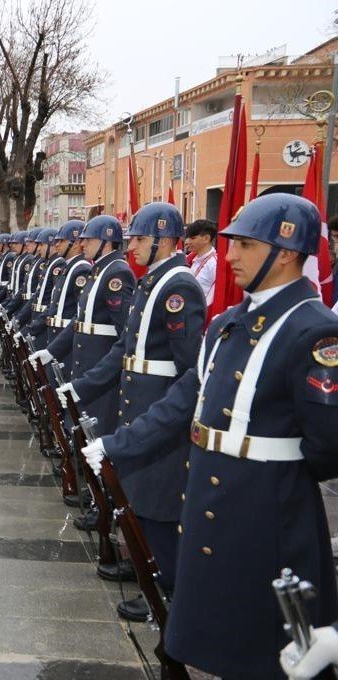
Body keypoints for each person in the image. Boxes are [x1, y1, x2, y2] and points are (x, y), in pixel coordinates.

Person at [82, 193, 338, 680]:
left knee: (276, 647)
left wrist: (271, 476)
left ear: (285, 252)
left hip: (269, 511)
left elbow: (328, 446)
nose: (231, 256)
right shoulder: (228, 325)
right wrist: (117, 443)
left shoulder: (316, 332)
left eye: (244, 244)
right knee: (222, 638)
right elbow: (184, 400)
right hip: (212, 500)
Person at [49, 203, 207, 620]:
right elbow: (125, 348)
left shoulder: (179, 287)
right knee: (140, 497)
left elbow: (191, 367)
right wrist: (79, 386)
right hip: (139, 400)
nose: (130, 246)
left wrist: (167, 415)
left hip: (160, 407)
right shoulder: (152, 280)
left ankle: (167, 589)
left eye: (137, 238)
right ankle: (148, 568)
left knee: (158, 502)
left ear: (163, 240)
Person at [40, 215, 136, 435]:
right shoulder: (100, 270)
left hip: (99, 364)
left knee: (94, 430)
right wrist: (51, 351)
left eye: (88, 239)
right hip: (86, 364)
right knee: (80, 427)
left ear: (106, 241)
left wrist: (102, 373)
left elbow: (125, 332)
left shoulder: (117, 273)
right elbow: (81, 319)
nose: (82, 244)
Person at [29, 220, 90, 346]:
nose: (56, 245)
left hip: (65, 338)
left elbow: (79, 313)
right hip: (54, 332)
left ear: (75, 244)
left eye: (61, 241)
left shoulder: (81, 269)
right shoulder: (68, 267)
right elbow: (54, 305)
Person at [184, 219, 217, 304]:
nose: (187, 241)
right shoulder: (192, 259)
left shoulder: (214, 263)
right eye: (187, 238)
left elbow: (216, 295)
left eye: (192, 238)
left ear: (206, 238)